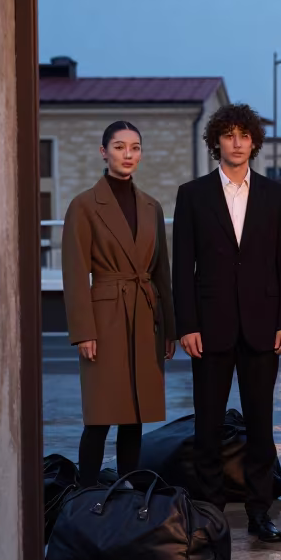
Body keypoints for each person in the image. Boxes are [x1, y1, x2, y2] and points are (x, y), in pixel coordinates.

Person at [172, 104, 281, 543]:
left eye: (244, 135)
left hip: (264, 326)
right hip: (209, 327)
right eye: (228, 135)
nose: (237, 142)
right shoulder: (192, 195)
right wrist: (185, 324)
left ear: (254, 142)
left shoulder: (276, 196)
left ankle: (260, 511)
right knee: (206, 426)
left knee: (261, 426)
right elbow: (181, 267)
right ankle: (208, 512)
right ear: (217, 142)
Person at [62, 121, 175, 487]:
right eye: (120, 147)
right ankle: (84, 496)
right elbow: (75, 272)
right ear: (103, 152)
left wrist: (169, 328)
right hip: (105, 317)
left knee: (135, 415)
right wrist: (83, 331)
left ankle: (129, 498)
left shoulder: (151, 206)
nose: (128, 155)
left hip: (144, 315)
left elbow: (161, 273)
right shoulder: (83, 205)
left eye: (135, 147)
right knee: (99, 415)